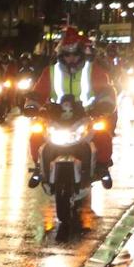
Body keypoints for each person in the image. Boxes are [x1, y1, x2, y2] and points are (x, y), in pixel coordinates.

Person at [25, 26, 116, 189]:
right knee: (36, 135)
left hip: (87, 115)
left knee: (103, 136)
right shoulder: (50, 72)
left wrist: (104, 106)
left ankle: (102, 168)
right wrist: (32, 106)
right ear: (61, 55)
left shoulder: (93, 70)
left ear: (81, 53)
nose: (71, 58)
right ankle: (39, 167)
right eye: (67, 54)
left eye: (75, 54)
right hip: (55, 116)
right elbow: (38, 92)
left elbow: (106, 90)